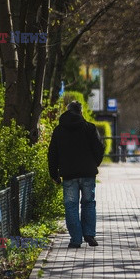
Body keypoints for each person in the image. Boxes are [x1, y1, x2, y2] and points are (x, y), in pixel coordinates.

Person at [48, 101, 105, 248]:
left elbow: (52, 153)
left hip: (69, 175)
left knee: (71, 206)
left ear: (67, 112)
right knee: (89, 203)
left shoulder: (59, 130)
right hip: (87, 173)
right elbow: (99, 148)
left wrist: (54, 174)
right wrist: (94, 164)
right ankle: (89, 235)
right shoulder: (89, 128)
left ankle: (76, 239)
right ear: (81, 112)